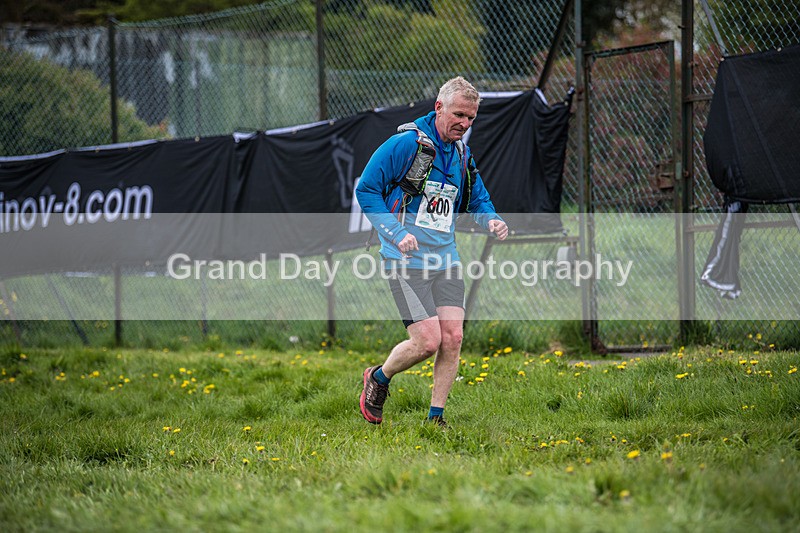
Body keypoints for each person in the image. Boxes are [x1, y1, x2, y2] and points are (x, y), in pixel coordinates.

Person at [355, 76, 508, 427]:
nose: (465, 124)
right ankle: (378, 378)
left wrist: (492, 221)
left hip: (445, 259)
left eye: (471, 118)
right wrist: (394, 233)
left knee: (453, 337)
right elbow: (367, 190)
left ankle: (435, 418)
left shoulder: (461, 153)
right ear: (438, 107)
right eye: (459, 115)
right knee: (427, 342)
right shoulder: (406, 144)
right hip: (404, 260)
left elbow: (479, 198)